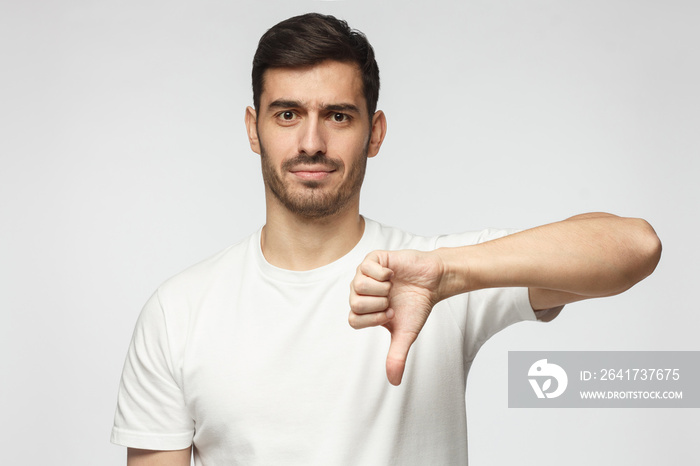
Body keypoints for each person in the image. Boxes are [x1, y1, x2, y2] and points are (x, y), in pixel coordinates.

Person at [111, 12, 661, 466]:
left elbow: (635, 247)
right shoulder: (179, 312)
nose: (311, 141)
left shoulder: (437, 274)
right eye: (287, 114)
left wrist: (449, 274)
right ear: (254, 129)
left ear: (374, 133)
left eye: (338, 116)